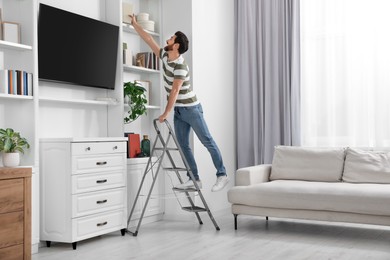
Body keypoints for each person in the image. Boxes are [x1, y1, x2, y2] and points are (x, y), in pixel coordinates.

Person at [130, 14, 229, 192]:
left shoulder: (181, 67)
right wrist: (135, 24)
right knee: (183, 145)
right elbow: (148, 38)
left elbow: (175, 91)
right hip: (179, 111)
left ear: (176, 45)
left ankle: (222, 175)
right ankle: (194, 179)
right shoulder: (165, 56)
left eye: (171, 38)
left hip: (192, 109)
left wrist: (166, 112)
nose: (167, 39)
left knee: (207, 141)